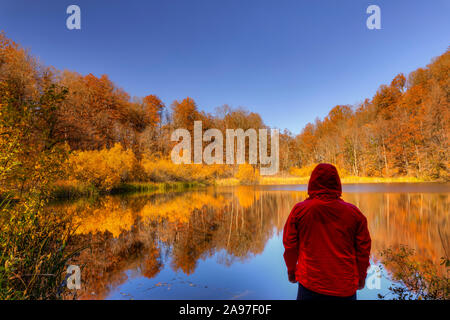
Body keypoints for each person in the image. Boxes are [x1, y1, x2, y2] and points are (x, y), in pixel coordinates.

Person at [283, 163, 371, 300]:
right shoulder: (354, 213)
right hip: (344, 287)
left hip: (309, 284)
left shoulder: (300, 210)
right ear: (337, 183)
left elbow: (290, 245)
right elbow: (363, 250)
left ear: (312, 182)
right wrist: (361, 276)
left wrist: (291, 270)